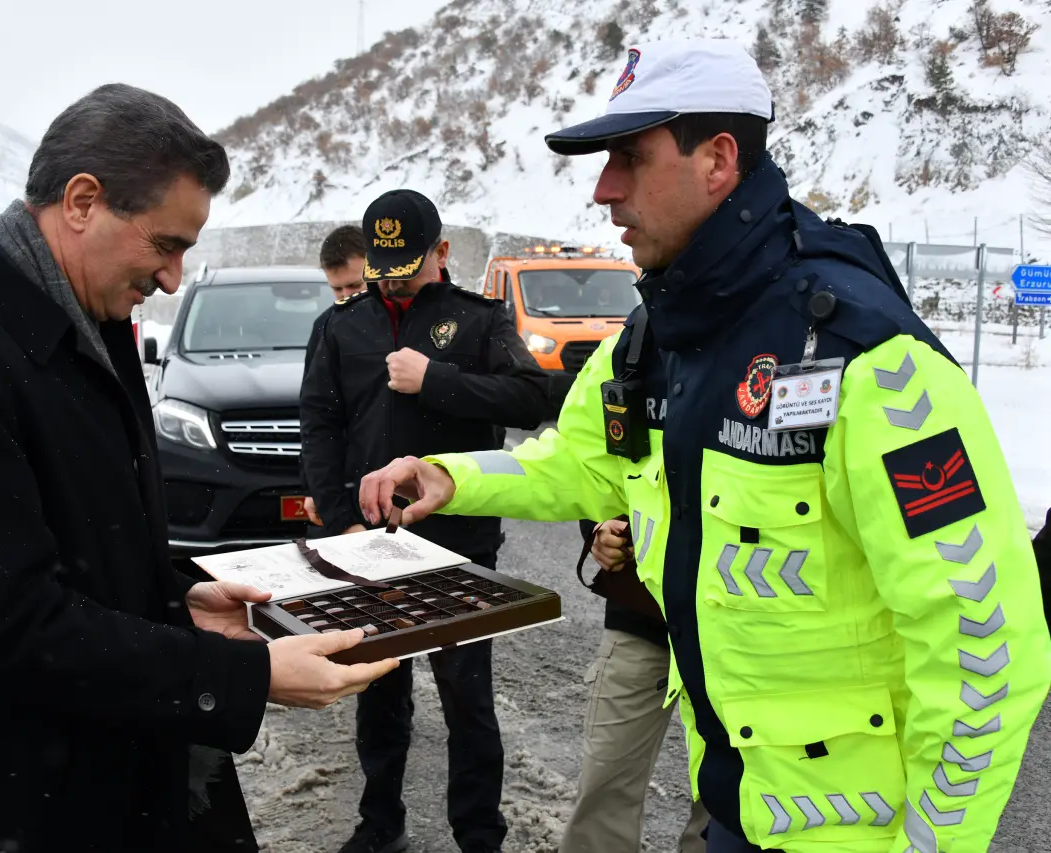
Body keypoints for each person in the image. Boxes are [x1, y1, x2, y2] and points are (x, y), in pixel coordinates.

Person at [356, 38, 1051, 853]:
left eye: (628, 157)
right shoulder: (657, 335)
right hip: (736, 811)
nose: (603, 190)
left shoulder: (870, 361)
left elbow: (984, 642)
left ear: (718, 159)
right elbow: (580, 459)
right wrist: (448, 474)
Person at [0, 82, 397, 853]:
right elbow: (15, 624)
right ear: (81, 201)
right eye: (165, 244)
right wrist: (245, 677)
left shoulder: (78, 327)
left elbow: (72, 538)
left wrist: (177, 596)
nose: (172, 278)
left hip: (88, 787)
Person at [299, 188, 550, 853]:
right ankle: (379, 823)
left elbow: (532, 397)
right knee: (377, 693)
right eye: (384, 266)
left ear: (441, 251)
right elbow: (320, 424)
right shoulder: (340, 326)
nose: (393, 280)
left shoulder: (479, 320)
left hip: (457, 540)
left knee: (468, 699)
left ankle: (478, 835)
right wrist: (339, 519)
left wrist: (436, 378)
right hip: (369, 542)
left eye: (407, 264)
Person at [562, 516, 708, 853]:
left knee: (726, 796)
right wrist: (599, 529)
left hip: (743, 631)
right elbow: (594, 473)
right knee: (606, 780)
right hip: (643, 617)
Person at [303, 224, 368, 528]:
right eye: (337, 290)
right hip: (349, 492)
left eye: (355, 287)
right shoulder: (326, 328)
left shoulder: (401, 326)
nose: (345, 298)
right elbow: (317, 418)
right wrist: (317, 488)